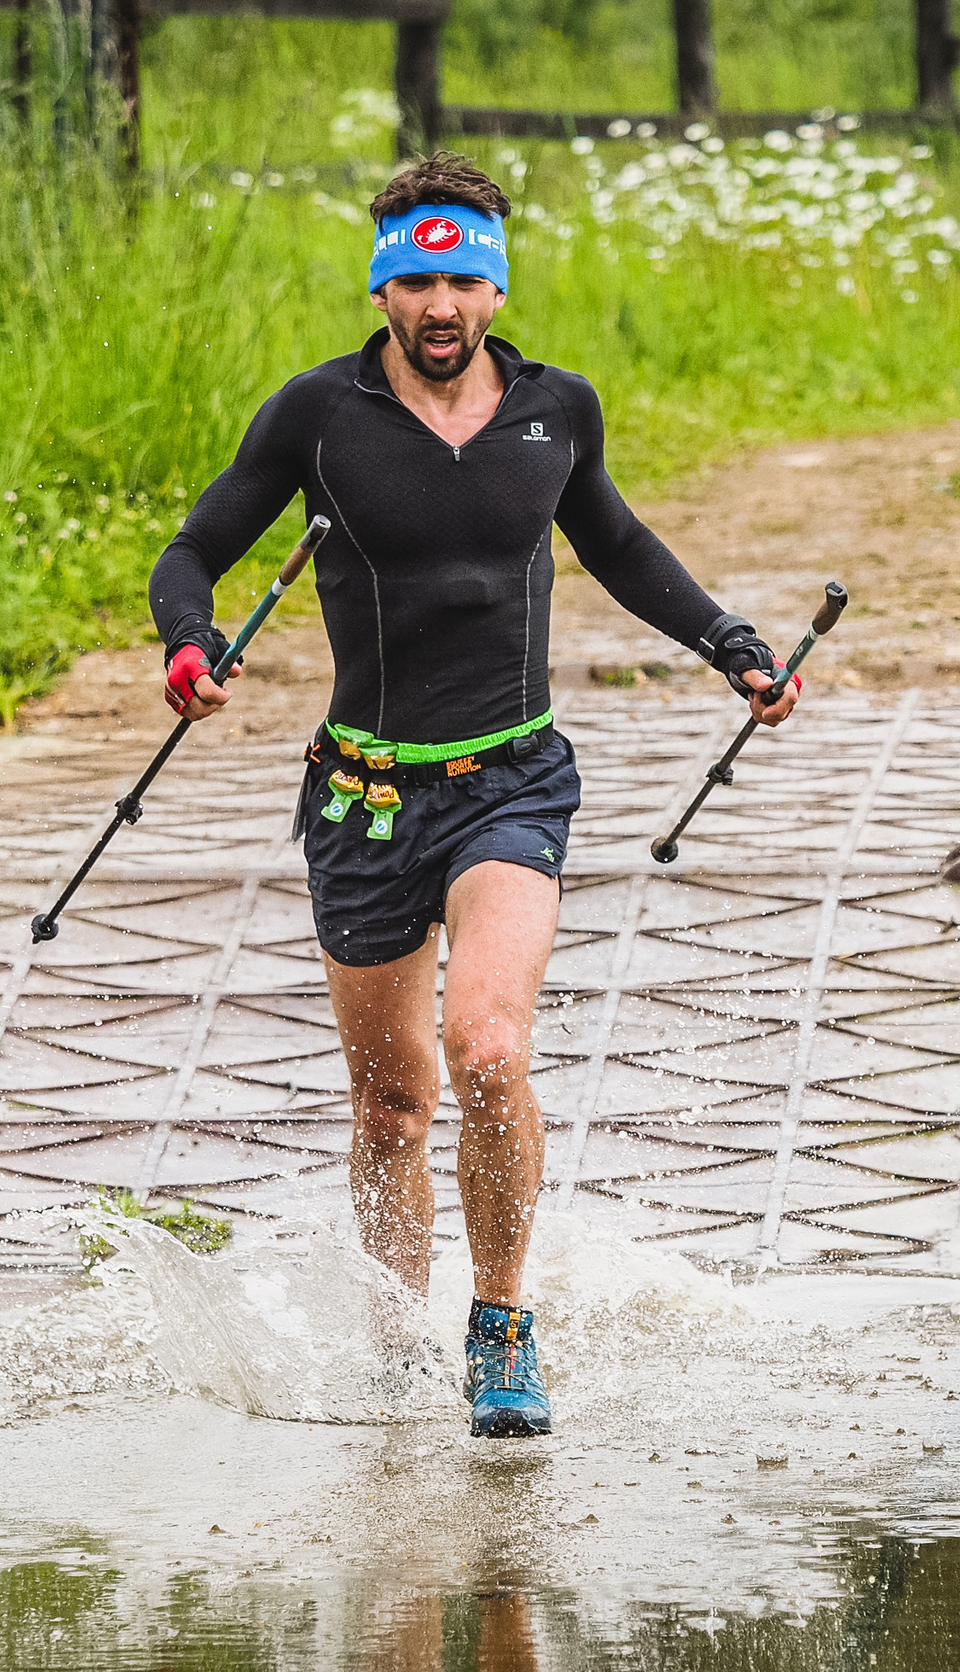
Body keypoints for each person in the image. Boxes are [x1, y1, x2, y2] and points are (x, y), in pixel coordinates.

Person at [147, 152, 801, 1438]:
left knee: (487, 1049)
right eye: (415, 280)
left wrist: (727, 639)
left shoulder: (559, 410)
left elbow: (611, 538)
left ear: (495, 289)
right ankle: (396, 1347)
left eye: (462, 279)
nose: (439, 305)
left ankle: (500, 1323)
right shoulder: (318, 416)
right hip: (362, 801)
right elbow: (196, 547)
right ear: (382, 288)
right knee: (391, 1107)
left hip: (511, 781)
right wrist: (187, 642)